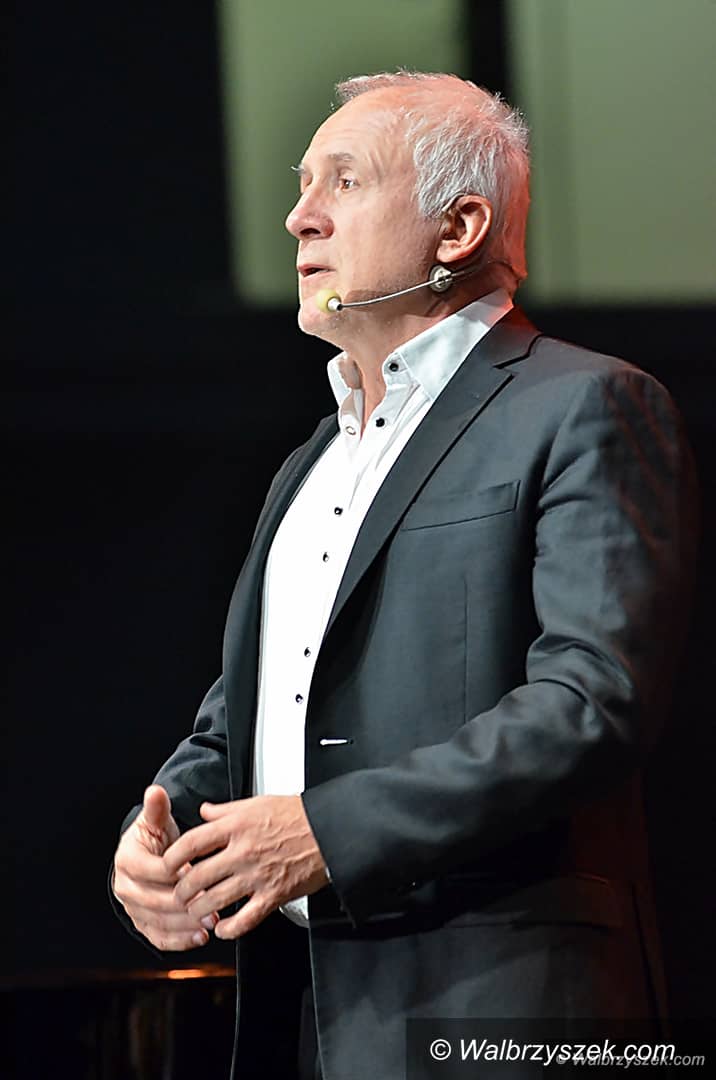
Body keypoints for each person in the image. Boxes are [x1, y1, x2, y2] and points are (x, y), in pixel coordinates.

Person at [110, 70, 700, 1079]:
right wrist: (158, 835)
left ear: (459, 227)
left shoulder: (584, 405)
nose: (300, 217)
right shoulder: (310, 463)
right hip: (302, 1018)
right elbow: (245, 717)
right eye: (302, 184)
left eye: (343, 182)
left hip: (501, 1008)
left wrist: (330, 833)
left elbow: (589, 704)